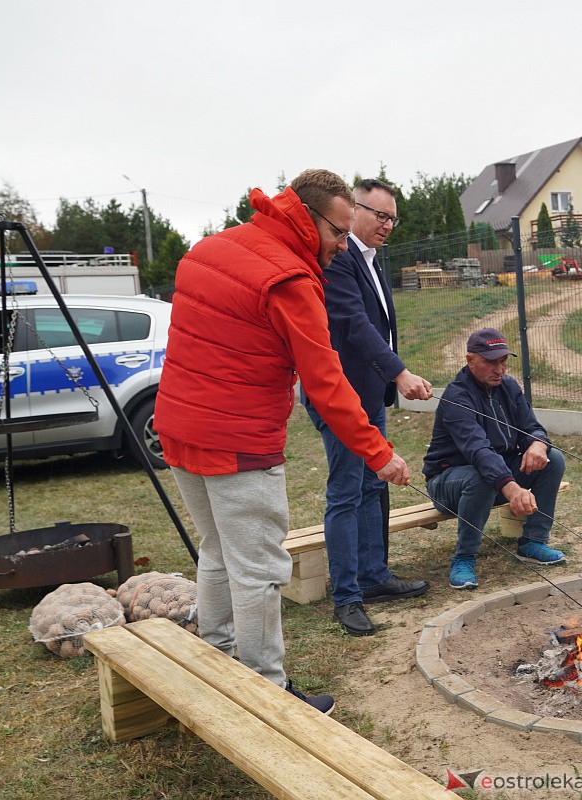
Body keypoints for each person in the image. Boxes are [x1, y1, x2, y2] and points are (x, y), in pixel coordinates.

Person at [154, 169, 411, 714]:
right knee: (259, 569)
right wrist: (379, 453)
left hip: (178, 427)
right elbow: (326, 382)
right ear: (309, 217)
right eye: (339, 232)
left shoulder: (211, 248)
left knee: (216, 549)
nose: (344, 245)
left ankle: (217, 659)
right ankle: (267, 691)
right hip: (238, 441)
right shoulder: (290, 279)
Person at [302, 178, 432, 637]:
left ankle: (374, 576)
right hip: (339, 399)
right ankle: (347, 596)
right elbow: (354, 324)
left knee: (374, 485)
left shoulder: (371, 260)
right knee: (347, 492)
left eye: (392, 217)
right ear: (354, 210)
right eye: (379, 215)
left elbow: (379, 326)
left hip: (369, 396)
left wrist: (388, 379)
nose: (387, 224)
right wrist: (399, 373)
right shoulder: (339, 259)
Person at [423, 328, 567, 590]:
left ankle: (533, 541)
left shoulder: (508, 387)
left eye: (503, 361)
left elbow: (531, 427)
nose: (499, 369)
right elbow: (479, 451)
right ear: (470, 360)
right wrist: (512, 489)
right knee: (480, 477)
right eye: (490, 362)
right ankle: (464, 557)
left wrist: (538, 444)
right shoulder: (456, 397)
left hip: (496, 477)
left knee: (552, 459)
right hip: (448, 483)